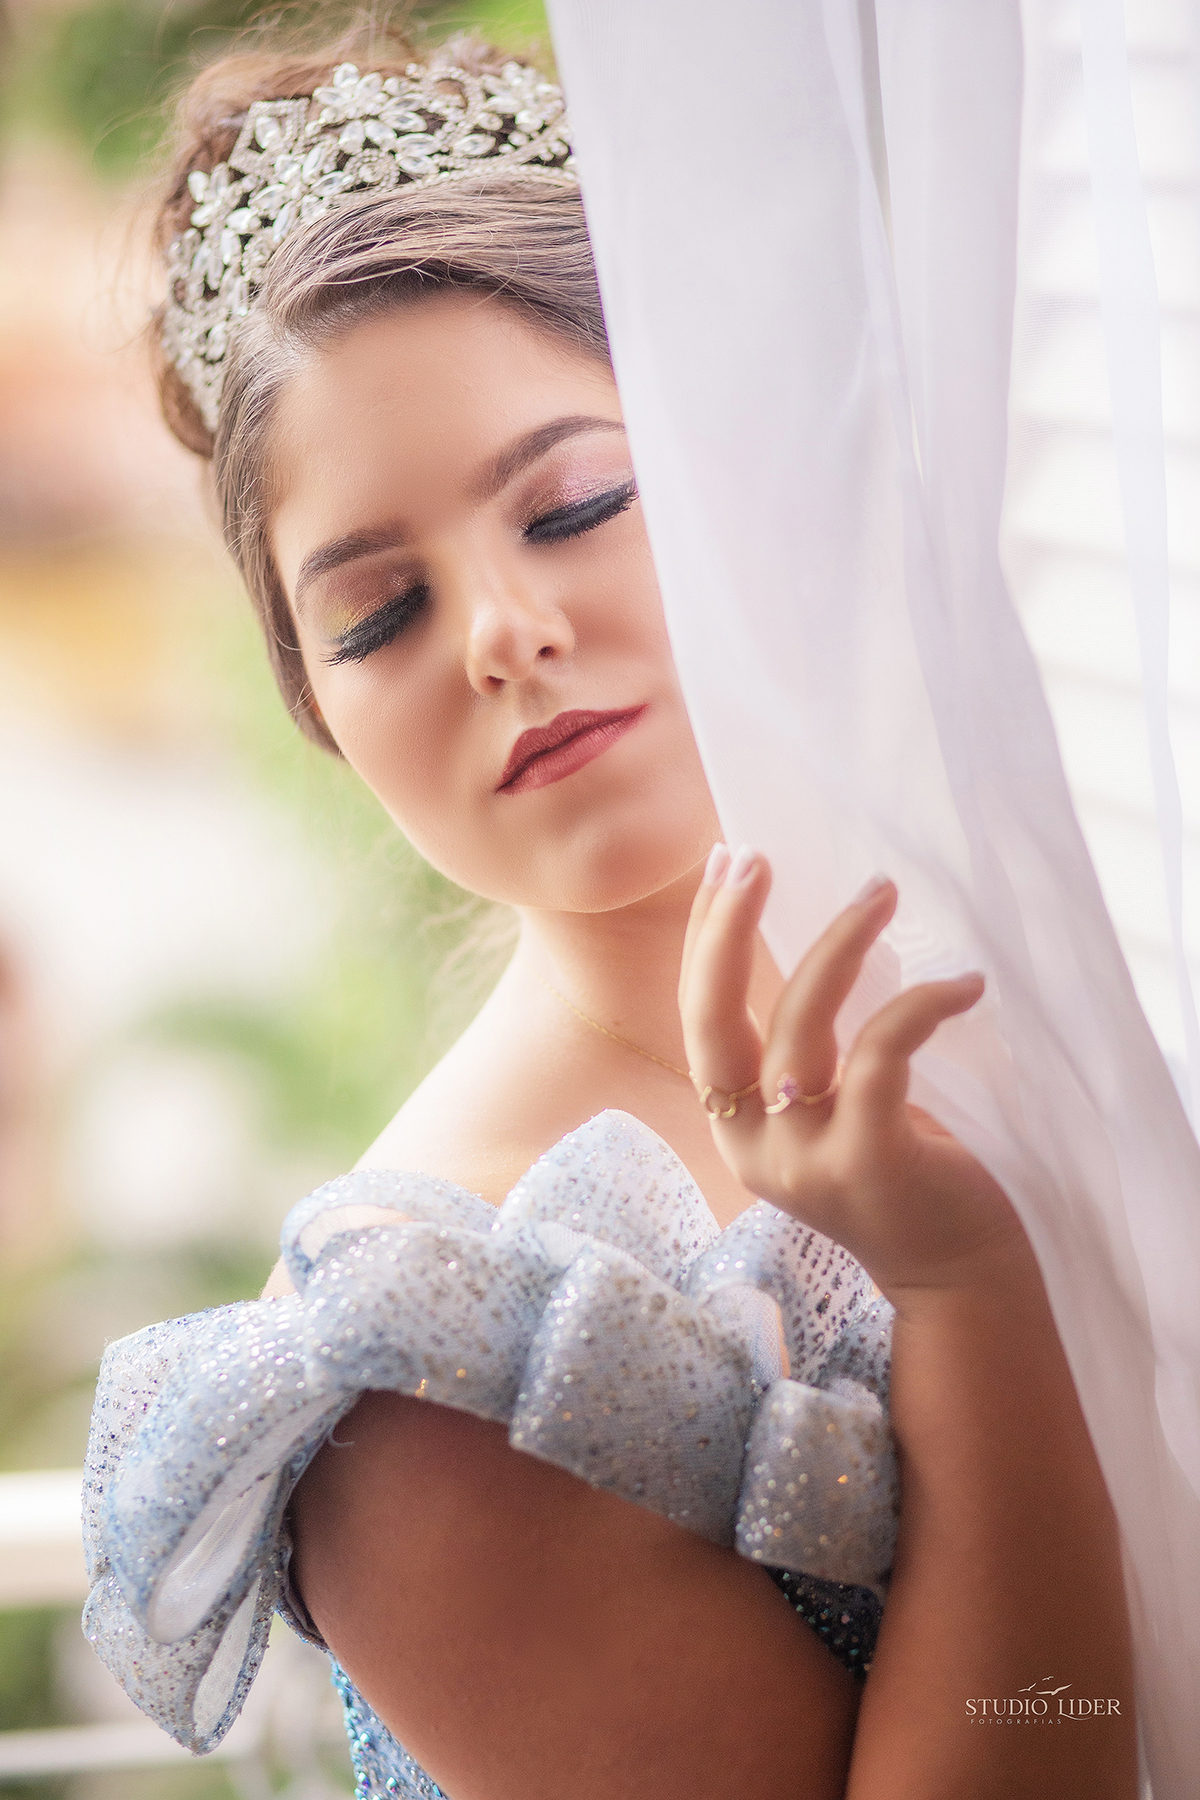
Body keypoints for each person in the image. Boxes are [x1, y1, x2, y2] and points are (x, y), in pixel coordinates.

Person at [82, 25, 1136, 1800]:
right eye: (380, 615)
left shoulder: (1087, 910)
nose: (504, 633)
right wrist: (969, 1296)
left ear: (746, 475)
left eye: (573, 504)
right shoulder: (438, 1368)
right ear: (318, 711)